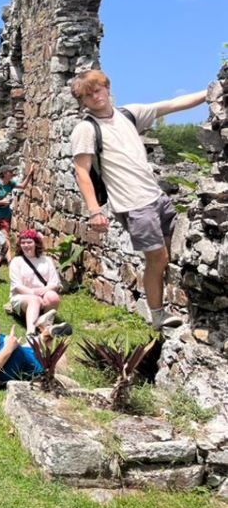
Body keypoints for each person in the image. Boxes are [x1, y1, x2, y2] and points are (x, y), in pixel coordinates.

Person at [69, 69, 207, 330]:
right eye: (88, 95)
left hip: (157, 198)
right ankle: (157, 315)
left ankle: (173, 307)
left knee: (170, 257)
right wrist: (94, 211)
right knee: (157, 259)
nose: (95, 97)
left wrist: (211, 92)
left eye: (97, 90)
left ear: (107, 88)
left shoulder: (129, 114)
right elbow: (81, 171)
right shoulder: (86, 128)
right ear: (83, 101)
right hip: (132, 205)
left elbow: (173, 104)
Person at [9, 229, 68, 338]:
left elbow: (54, 283)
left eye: (29, 242)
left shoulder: (47, 260)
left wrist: (43, 291)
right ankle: (31, 332)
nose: (26, 245)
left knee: (53, 296)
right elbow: (17, 286)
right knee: (34, 300)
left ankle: (45, 324)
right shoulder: (16, 261)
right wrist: (33, 293)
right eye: (23, 243)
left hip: (43, 294)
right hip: (22, 296)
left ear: (36, 243)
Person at [0, 164, 33, 236]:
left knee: (5, 236)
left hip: (5, 214)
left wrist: (30, 174)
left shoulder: (11, 183)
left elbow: (23, 186)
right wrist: (1, 202)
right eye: (11, 171)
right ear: (4, 173)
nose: (13, 173)